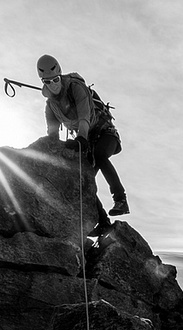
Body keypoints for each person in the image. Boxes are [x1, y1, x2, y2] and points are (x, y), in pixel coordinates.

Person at [37, 54, 129, 219]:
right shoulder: (51, 105)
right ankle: (102, 221)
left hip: (105, 133)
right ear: (43, 82)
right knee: (82, 180)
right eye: (47, 82)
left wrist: (81, 137)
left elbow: (84, 116)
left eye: (56, 80)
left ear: (60, 76)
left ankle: (120, 199)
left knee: (99, 155)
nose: (53, 85)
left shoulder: (76, 88)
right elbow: (52, 133)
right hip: (87, 141)